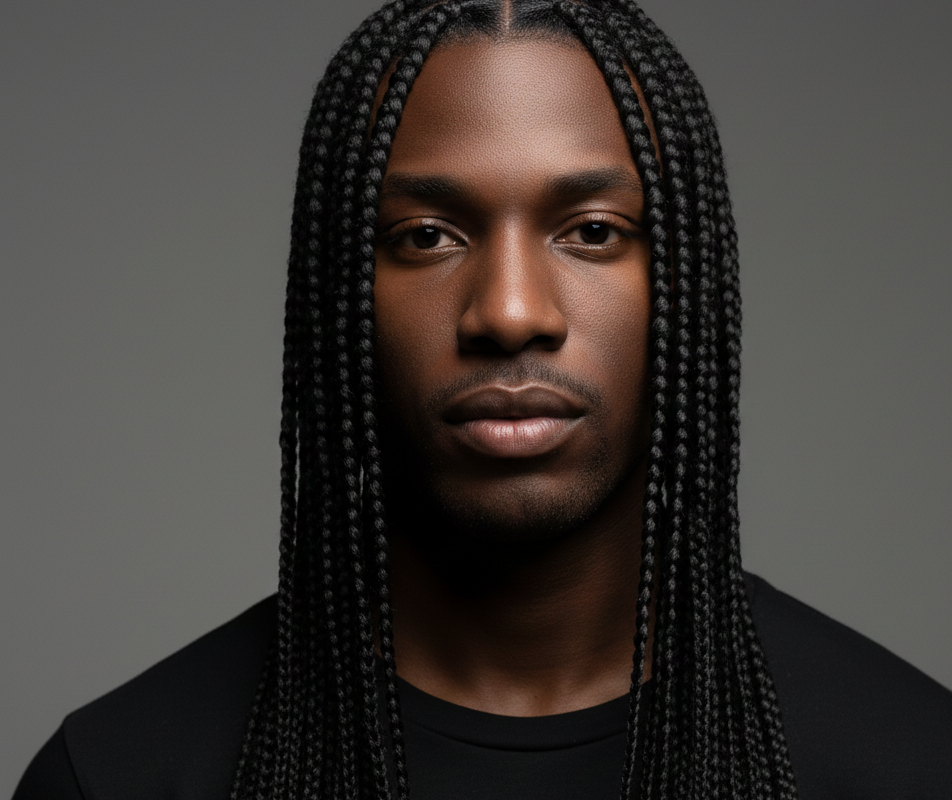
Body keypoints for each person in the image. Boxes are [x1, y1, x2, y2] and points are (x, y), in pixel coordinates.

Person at [13, 1, 952, 798]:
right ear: (338, 292)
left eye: (593, 231)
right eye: (426, 235)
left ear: (688, 280)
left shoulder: (911, 764)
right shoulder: (118, 776)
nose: (509, 312)